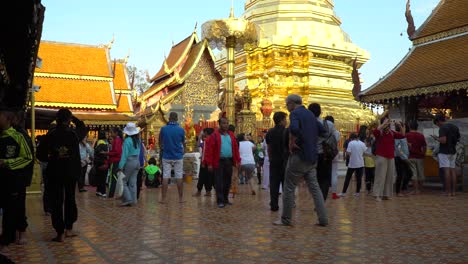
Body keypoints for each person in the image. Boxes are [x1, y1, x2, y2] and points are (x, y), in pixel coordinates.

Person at [274, 94, 327, 226]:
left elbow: (294, 128)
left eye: (287, 104)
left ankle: (286, 219)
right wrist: (310, 140)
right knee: (315, 189)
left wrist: (299, 140)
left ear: (292, 103)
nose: (287, 107)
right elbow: (323, 131)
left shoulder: (295, 113)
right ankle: (323, 219)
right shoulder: (310, 114)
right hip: (312, 156)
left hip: (299, 156)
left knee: (289, 187)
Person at [36, 108, 84, 242]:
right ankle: (69, 229)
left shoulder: (50, 135)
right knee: (70, 199)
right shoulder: (74, 134)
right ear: (69, 120)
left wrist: (51, 159)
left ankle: (59, 233)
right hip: (71, 172)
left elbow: (40, 154)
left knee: (57, 201)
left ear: (57, 120)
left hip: (55, 171)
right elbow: (82, 126)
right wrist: (72, 118)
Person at [0, 107, 33, 249]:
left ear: (8, 118)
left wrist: (7, 163)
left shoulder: (19, 136)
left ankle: (17, 233)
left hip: (14, 180)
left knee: (16, 207)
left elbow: (28, 157)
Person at [204, 117, 241, 208]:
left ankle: (225, 198)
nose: (226, 125)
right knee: (219, 181)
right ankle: (220, 200)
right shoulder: (214, 135)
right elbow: (209, 150)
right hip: (219, 161)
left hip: (229, 161)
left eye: (227, 123)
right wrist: (209, 163)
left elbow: (235, 148)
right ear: (219, 124)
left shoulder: (231, 135)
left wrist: (237, 160)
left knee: (227, 181)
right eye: (224, 123)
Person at [372, 117, 405, 202]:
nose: (388, 124)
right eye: (386, 122)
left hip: (391, 156)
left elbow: (402, 135)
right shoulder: (379, 132)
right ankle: (377, 195)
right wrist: (383, 124)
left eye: (388, 122)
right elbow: (375, 131)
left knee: (389, 176)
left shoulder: (392, 133)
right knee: (380, 176)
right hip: (381, 156)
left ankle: (386, 194)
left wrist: (400, 125)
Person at [308, 103, 336, 201]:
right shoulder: (329, 124)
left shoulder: (307, 123)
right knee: (324, 178)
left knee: (313, 179)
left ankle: (316, 199)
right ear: (320, 112)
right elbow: (334, 137)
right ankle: (322, 199)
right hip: (325, 154)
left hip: (312, 154)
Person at [159, 112, 185, 203]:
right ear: (177, 118)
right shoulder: (181, 130)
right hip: (178, 155)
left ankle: (163, 198)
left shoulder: (163, 129)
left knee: (165, 176)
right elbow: (183, 143)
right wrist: (183, 151)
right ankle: (180, 198)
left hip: (166, 155)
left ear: (169, 118)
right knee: (179, 176)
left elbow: (160, 142)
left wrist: (162, 150)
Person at [433, 114, 460, 196]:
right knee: (453, 171)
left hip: (444, 152)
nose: (437, 126)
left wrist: (436, 138)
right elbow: (458, 138)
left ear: (439, 121)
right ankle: (453, 192)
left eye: (437, 124)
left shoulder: (443, 128)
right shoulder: (455, 127)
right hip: (453, 151)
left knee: (446, 171)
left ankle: (447, 192)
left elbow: (443, 140)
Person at [266, 111, 288, 211]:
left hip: (274, 160)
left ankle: (274, 204)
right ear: (281, 120)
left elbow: (269, 147)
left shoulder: (270, 132)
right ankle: (287, 205)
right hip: (285, 161)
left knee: (274, 183)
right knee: (286, 184)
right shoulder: (287, 131)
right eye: (285, 119)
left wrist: (270, 158)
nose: (286, 121)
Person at [118, 123, 141, 206]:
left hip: (130, 162)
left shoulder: (127, 141)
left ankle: (128, 199)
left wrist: (120, 166)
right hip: (137, 162)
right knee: (133, 182)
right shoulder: (137, 140)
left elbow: (124, 155)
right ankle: (134, 200)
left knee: (123, 181)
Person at [338, 133, 367, 197]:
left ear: (351, 138)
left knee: (348, 178)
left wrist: (350, 155)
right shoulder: (362, 143)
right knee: (359, 178)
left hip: (352, 163)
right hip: (360, 163)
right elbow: (365, 152)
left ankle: (343, 192)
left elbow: (348, 153)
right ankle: (357, 193)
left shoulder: (351, 143)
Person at [406, 120, 427, 194]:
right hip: (420, 156)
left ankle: (415, 190)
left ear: (409, 126)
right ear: (417, 127)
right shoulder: (421, 135)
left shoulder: (407, 135)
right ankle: (420, 189)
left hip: (411, 156)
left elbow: (405, 147)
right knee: (421, 173)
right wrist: (423, 154)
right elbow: (424, 146)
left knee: (414, 174)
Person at [194, 128, 215, 196]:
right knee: (209, 177)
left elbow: (205, 152)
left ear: (206, 133)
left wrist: (203, 162)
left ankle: (199, 191)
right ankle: (208, 191)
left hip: (206, 162)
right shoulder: (212, 140)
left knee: (202, 177)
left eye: (203, 132)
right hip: (211, 162)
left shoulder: (207, 141)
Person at [324, 115, 341, 200]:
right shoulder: (337, 133)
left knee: (323, 173)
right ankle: (334, 193)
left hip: (324, 154)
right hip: (334, 154)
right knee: (334, 173)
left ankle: (323, 193)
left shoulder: (322, 131)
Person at [107, 127, 123, 198]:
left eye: (111, 132)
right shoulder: (118, 140)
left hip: (115, 160)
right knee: (113, 177)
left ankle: (111, 194)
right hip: (116, 160)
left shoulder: (117, 140)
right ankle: (112, 193)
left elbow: (116, 152)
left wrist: (107, 153)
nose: (110, 134)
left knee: (112, 177)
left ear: (116, 133)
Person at [93, 130, 109, 198]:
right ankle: (103, 192)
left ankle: (98, 191)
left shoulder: (97, 142)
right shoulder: (104, 143)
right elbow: (104, 153)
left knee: (99, 177)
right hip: (103, 162)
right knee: (103, 177)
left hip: (97, 162)